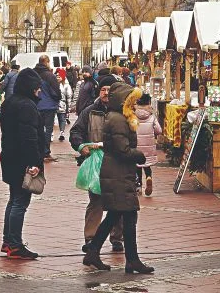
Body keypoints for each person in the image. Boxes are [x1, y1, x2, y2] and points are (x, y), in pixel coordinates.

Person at [82, 82, 154, 274]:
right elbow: (122, 150)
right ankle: (132, 260)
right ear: (125, 101)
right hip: (118, 173)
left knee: (116, 214)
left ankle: (94, 253)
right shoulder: (118, 120)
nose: (135, 105)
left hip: (118, 173)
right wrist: (139, 155)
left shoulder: (119, 117)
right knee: (129, 215)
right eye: (132, 101)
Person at [69, 75, 124, 253]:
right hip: (96, 163)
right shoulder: (90, 111)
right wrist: (81, 146)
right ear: (98, 91)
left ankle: (117, 238)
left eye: (109, 89)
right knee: (96, 202)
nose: (106, 92)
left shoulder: (123, 111)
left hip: (117, 163)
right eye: (103, 89)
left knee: (118, 201)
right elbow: (76, 131)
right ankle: (91, 238)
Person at [0, 68, 45, 259]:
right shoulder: (27, 106)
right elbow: (29, 137)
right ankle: (15, 244)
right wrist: (34, 162)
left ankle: (8, 240)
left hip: (9, 157)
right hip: (21, 160)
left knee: (13, 200)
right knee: (20, 201)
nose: (39, 91)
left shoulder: (10, 102)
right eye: (37, 87)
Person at [33, 55, 61, 161]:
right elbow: (56, 91)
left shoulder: (34, 74)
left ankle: (38, 151)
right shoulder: (49, 75)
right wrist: (57, 99)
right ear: (47, 62)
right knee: (48, 129)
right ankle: (46, 152)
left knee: (36, 128)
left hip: (36, 105)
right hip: (49, 106)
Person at [135, 93, 161, 197]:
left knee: (137, 166)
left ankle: (139, 187)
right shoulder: (152, 116)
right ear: (149, 103)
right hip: (149, 146)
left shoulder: (133, 115)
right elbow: (159, 130)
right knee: (146, 165)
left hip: (136, 146)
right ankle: (148, 177)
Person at [55, 69, 72, 142]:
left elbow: (69, 96)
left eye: (59, 76)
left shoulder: (66, 86)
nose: (58, 78)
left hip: (62, 105)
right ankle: (51, 134)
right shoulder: (54, 84)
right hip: (54, 104)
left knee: (62, 119)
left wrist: (68, 107)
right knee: (54, 119)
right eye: (57, 76)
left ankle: (62, 132)